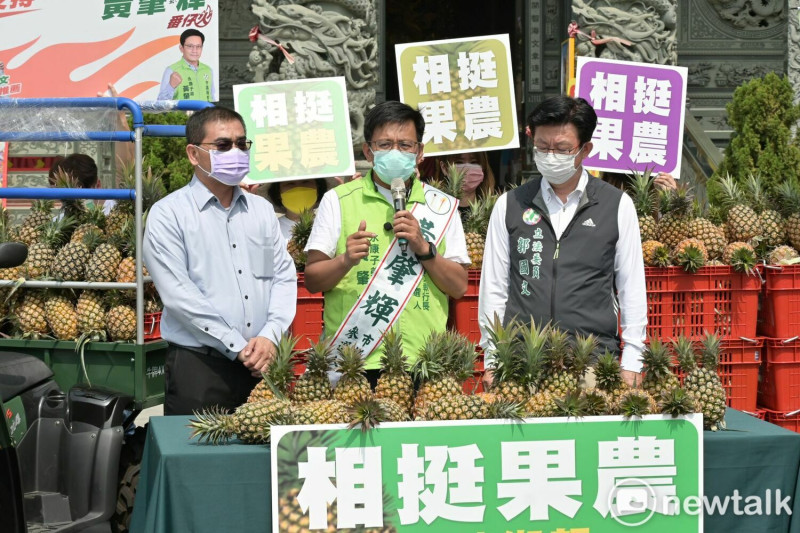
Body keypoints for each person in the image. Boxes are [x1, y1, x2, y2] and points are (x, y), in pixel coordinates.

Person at [478, 95, 647, 389]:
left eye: (562, 149)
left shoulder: (616, 205)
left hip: (592, 363)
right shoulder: (510, 204)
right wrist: (493, 359)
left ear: (585, 150)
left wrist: (632, 360)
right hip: (522, 363)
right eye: (542, 147)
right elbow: (494, 286)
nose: (551, 155)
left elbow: (631, 286)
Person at [303, 101, 471, 385]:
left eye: (405, 145)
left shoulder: (440, 206)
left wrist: (425, 249)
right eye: (385, 144)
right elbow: (312, 280)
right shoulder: (339, 200)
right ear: (368, 151)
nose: (396, 152)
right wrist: (345, 260)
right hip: (354, 360)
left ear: (419, 153)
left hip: (423, 360)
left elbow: (459, 286)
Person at [143, 106, 296, 415]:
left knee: (266, 461)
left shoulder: (261, 211)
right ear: (193, 153)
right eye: (223, 145)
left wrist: (269, 336)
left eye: (242, 144)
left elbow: (281, 276)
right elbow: (178, 296)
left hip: (264, 364)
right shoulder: (169, 214)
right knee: (199, 460)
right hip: (200, 368)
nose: (236, 152)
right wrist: (238, 347)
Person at [431, 150, 497, 221]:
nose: (467, 168)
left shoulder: (493, 212)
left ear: (483, 167)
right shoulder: (433, 210)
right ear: (444, 168)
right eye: (459, 162)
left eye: (474, 162)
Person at [157, 29, 217, 101]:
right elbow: (161, 103)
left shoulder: (208, 70)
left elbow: (212, 97)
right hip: (181, 112)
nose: (194, 50)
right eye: (190, 46)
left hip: (205, 112)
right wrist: (171, 86)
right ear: (181, 48)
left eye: (198, 46)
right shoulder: (172, 70)